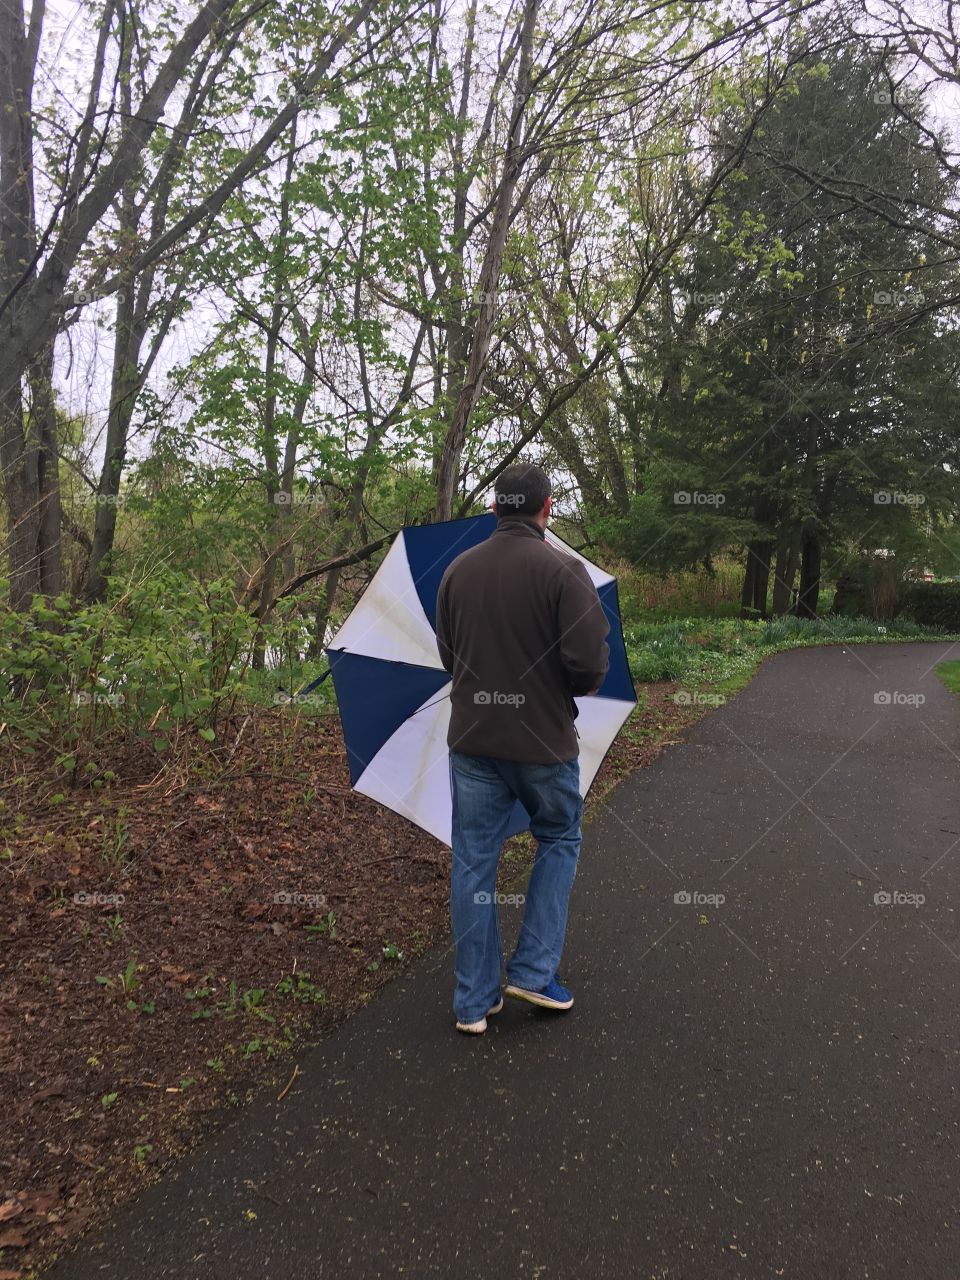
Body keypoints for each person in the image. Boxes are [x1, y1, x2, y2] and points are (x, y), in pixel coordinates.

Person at [435, 463, 610, 1034]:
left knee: (472, 861)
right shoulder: (564, 572)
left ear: (494, 509)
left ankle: (473, 1001)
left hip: (473, 743)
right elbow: (587, 669)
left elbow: (449, 658)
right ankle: (534, 974)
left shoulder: (456, 572)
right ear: (547, 507)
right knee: (558, 837)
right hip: (543, 742)